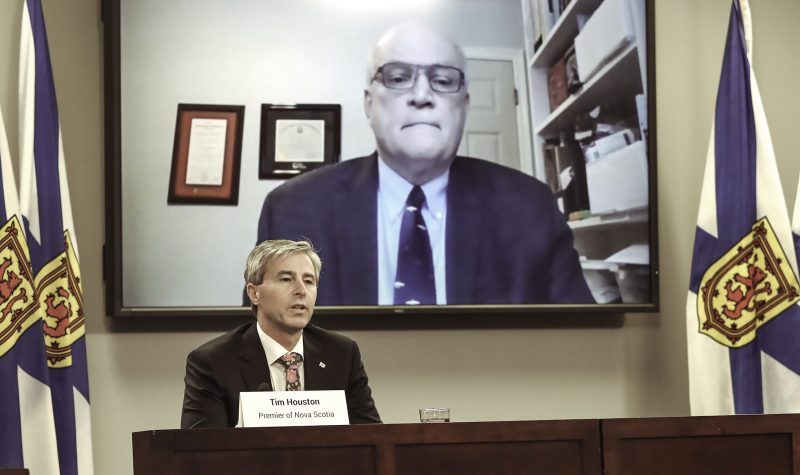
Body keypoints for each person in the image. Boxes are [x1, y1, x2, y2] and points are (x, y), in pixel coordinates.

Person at [255, 21, 594, 306]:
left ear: (464, 106)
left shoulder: (529, 207)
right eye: (398, 77)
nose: (421, 95)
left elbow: (579, 349)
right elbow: (265, 354)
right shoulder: (293, 210)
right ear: (369, 105)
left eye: (443, 80)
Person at [182, 239, 381, 428]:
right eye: (286, 279)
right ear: (254, 293)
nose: (301, 290)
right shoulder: (213, 362)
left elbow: (374, 439)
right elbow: (199, 453)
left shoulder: (342, 354)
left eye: (309, 281)